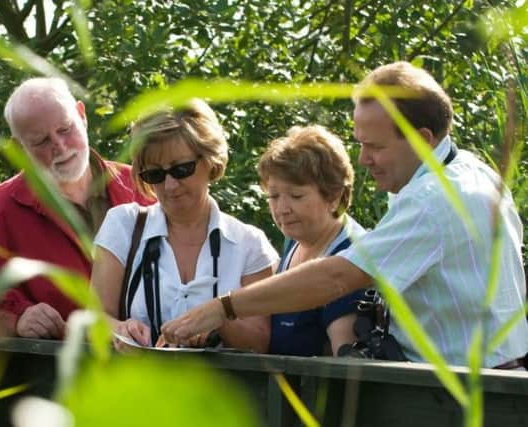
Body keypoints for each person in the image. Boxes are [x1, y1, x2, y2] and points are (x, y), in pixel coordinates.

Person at [161, 61, 528, 369]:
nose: (363, 159)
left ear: (424, 139)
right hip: (493, 377)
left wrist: (223, 307)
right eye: (360, 144)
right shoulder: (473, 172)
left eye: (375, 146)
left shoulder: (433, 200)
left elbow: (337, 277)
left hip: (460, 393)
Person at [0, 77, 152, 341]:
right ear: (19, 148)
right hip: (58, 376)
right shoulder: (0, 212)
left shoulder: (145, 186)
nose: (60, 147)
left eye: (65, 129)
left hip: (156, 371)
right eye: (41, 141)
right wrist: (16, 318)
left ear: (82, 115)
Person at [91, 99, 279, 352]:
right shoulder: (123, 225)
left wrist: (218, 320)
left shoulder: (249, 244)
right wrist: (120, 330)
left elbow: (261, 341)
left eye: (182, 169)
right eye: (154, 175)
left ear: (211, 160)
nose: (170, 186)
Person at [258, 125, 366, 356]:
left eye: (296, 196)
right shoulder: (295, 240)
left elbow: (347, 369)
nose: (282, 209)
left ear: (334, 196)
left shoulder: (351, 256)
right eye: (274, 196)